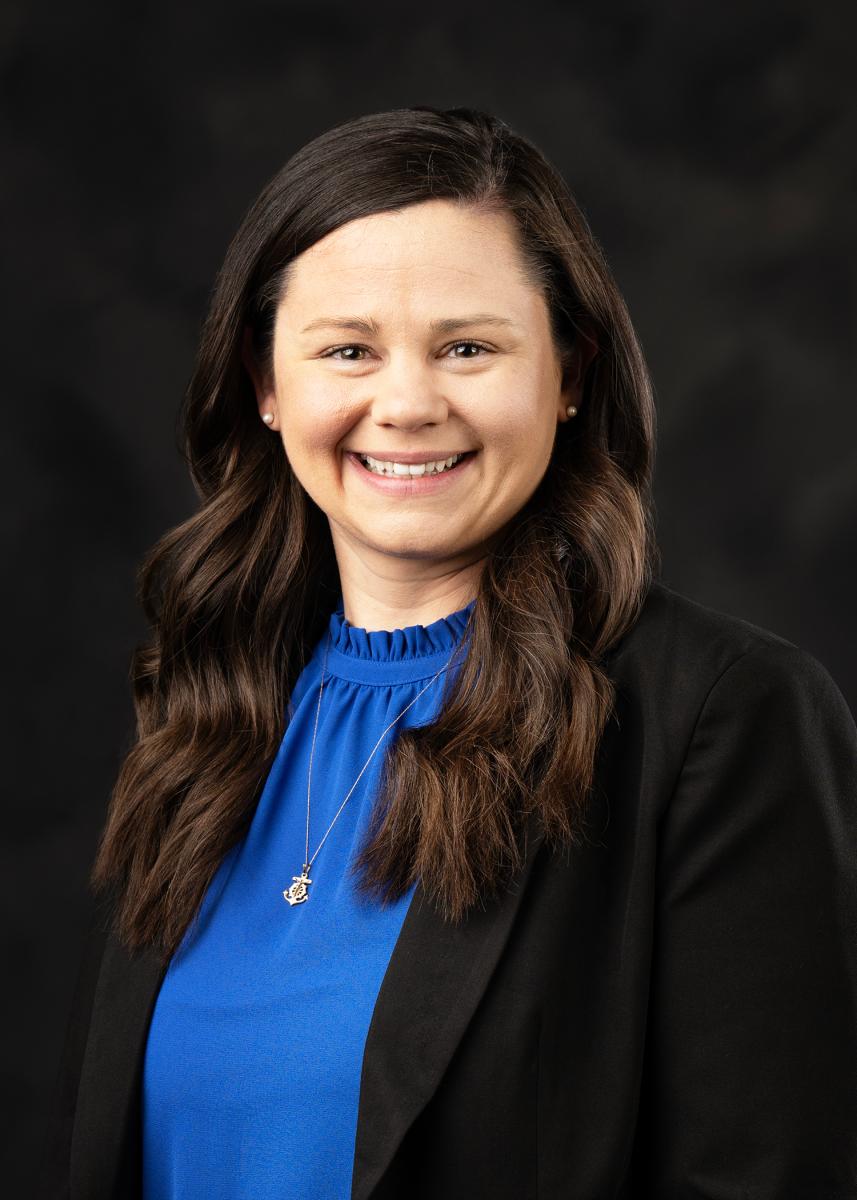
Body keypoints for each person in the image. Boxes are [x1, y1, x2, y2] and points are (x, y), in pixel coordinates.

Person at [39, 105, 857, 1200]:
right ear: (267, 386)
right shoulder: (202, 715)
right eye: (346, 350)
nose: (407, 403)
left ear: (568, 371)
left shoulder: (718, 721)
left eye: (467, 347)